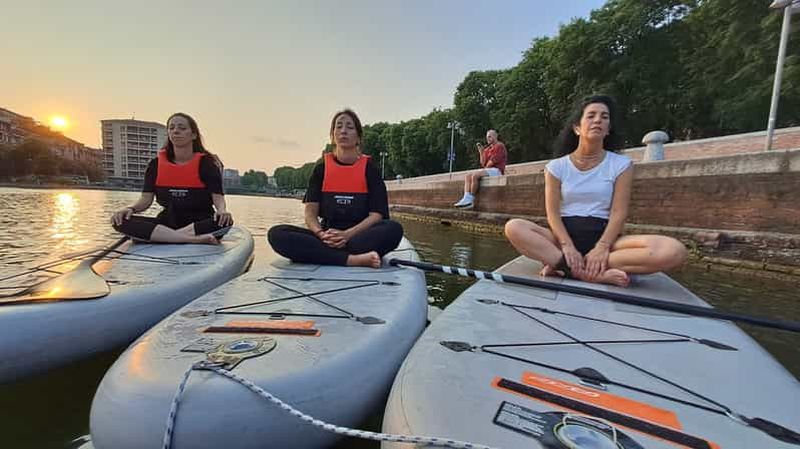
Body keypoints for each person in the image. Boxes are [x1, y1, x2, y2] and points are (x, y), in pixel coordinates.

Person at [504, 95, 687, 287]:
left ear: (608, 129)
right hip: (562, 239)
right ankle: (585, 273)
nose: (598, 120)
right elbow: (553, 214)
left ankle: (564, 266)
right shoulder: (556, 167)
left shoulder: (621, 165)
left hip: (606, 239)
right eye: (591, 116)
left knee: (674, 251)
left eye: (604, 117)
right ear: (577, 127)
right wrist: (567, 246)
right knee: (514, 227)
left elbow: (618, 213)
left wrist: (602, 247)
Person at [267, 109, 403, 268]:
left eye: (350, 127)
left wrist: (347, 235)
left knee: (394, 229)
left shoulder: (370, 170)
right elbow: (310, 213)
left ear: (358, 137)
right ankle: (352, 260)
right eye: (339, 127)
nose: (343, 131)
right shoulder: (321, 169)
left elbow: (377, 216)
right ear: (332, 135)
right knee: (276, 234)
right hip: (326, 236)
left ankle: (323, 254)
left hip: (359, 236)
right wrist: (320, 234)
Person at [110, 112, 233, 244]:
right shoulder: (155, 165)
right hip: (167, 221)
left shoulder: (208, 164)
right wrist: (130, 208)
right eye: (172, 128)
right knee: (120, 220)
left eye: (182, 128)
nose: (176, 131)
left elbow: (218, 198)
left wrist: (222, 211)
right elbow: (145, 200)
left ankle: (162, 237)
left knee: (225, 221)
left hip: (199, 222)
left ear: (193, 135)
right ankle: (190, 239)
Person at [454, 129, 507, 209]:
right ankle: (466, 197)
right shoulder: (487, 149)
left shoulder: (499, 146)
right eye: (487, 137)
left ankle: (470, 199)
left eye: (490, 136)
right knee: (468, 176)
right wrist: (481, 152)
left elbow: (491, 162)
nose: (488, 139)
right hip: (489, 170)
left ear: (495, 136)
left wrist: (483, 170)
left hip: (497, 170)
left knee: (475, 176)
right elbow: (482, 163)